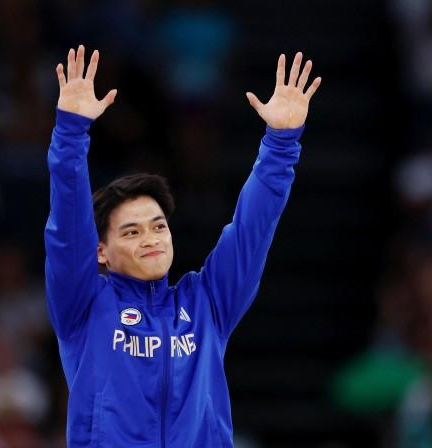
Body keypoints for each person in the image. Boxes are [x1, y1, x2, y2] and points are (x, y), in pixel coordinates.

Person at [45, 44, 321, 447]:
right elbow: (67, 231)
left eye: (158, 226)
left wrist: (280, 145)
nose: (151, 239)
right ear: (100, 251)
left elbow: (251, 232)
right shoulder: (83, 305)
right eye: (132, 232)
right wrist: (70, 133)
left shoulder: (206, 303)